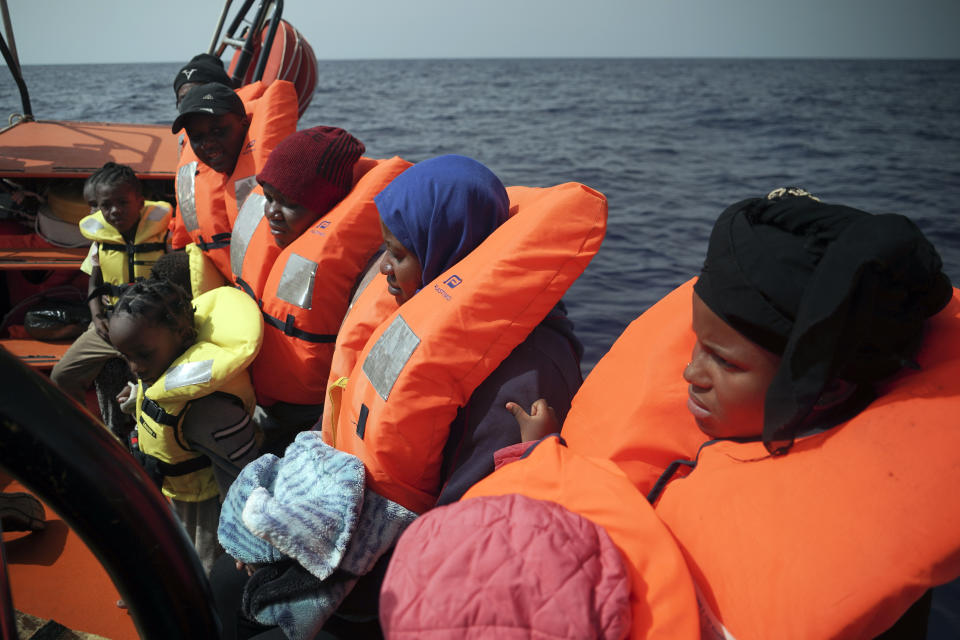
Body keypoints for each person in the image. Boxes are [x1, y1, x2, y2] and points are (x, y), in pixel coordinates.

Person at [381, 187, 960, 639]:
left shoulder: (847, 556)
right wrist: (542, 455)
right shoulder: (728, 415)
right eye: (695, 345)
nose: (690, 372)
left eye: (724, 363)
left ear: (826, 390)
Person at [213, 155, 606, 638]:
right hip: (347, 526)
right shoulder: (424, 306)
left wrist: (304, 563)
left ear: (449, 250)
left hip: (391, 576)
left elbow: (468, 523)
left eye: (397, 253)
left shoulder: (525, 376)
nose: (383, 268)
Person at [227, 126, 409, 450]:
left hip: (307, 416)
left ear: (326, 208)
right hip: (260, 393)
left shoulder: (359, 267)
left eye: (289, 204)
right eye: (268, 198)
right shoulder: (286, 237)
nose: (271, 213)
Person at [110, 278, 264, 573]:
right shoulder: (161, 366)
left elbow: (242, 472)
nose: (135, 368)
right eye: (126, 357)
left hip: (202, 508)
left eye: (142, 356)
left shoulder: (207, 408)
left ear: (184, 335)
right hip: (169, 488)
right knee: (167, 547)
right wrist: (136, 399)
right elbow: (159, 399)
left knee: (201, 569)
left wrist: (245, 534)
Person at [50, 163, 171, 408]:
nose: (114, 211)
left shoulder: (164, 235)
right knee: (61, 376)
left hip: (152, 327)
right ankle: (87, 432)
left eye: (123, 202)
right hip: (110, 325)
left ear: (139, 201)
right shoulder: (102, 239)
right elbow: (95, 281)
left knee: (155, 389)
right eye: (106, 205)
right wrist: (97, 317)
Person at [170, 81, 297, 281]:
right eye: (197, 137)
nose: (209, 144)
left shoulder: (286, 178)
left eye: (218, 131)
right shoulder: (200, 177)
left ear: (244, 124)